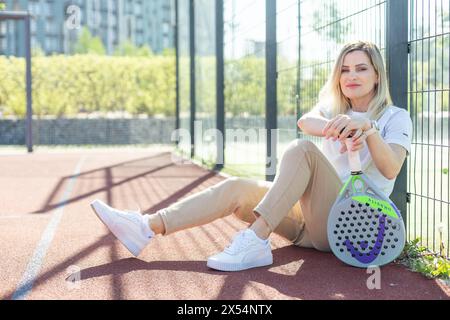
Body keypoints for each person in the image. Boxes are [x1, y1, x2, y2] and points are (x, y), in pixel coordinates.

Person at [90, 41, 413, 272]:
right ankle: (146, 226)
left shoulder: (395, 117)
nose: (351, 75)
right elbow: (305, 122)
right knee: (237, 188)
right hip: (309, 224)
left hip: (351, 228)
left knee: (303, 150)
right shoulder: (334, 109)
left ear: (377, 76)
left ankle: (256, 240)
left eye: (360, 68)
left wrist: (367, 130)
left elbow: (391, 167)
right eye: (344, 69)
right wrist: (339, 126)